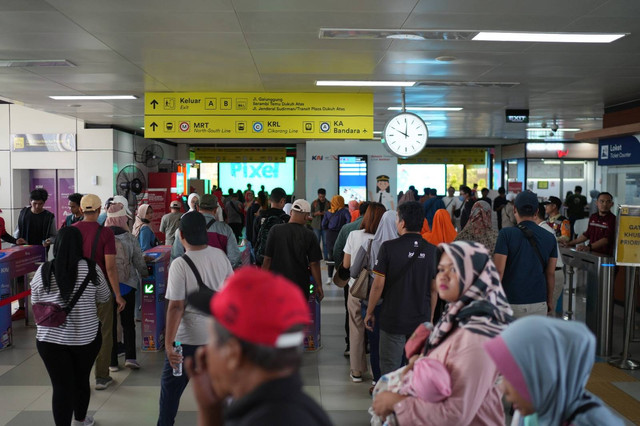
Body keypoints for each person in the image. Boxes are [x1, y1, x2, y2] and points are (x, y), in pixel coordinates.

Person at [371, 241, 513, 425]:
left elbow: (455, 414)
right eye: (440, 269)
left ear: (475, 276)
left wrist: (396, 403)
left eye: (454, 270)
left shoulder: (478, 336)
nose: (443, 276)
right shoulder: (456, 317)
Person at [183, 267, 334, 426]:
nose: (204, 352)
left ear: (233, 353)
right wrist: (210, 410)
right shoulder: (306, 411)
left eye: (211, 340)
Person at [158, 211, 233, 426]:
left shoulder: (180, 264)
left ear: (181, 235)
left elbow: (176, 306)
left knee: (170, 391)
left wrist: (169, 344)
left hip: (186, 340)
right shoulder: (220, 256)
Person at [31, 226, 110, 426]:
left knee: (60, 386)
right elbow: (104, 296)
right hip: (85, 338)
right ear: (80, 245)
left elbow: (36, 301)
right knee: (81, 379)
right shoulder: (92, 268)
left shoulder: (44, 269)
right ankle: (80, 420)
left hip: (49, 340)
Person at [484, 316, 623, 426]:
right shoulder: (534, 412)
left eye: (512, 377)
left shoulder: (591, 422)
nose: (502, 388)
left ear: (544, 375)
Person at [365, 201, 438, 376]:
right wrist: (431, 317)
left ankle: (391, 402)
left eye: (397, 218)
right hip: (421, 319)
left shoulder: (388, 248)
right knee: (416, 371)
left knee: (391, 370)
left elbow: (378, 285)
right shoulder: (432, 250)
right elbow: (434, 289)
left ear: (403, 223)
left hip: (393, 319)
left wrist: (370, 311)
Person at [73, 194, 125, 390]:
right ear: (98, 210)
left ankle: (80, 377)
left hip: (77, 291)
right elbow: (110, 267)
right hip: (100, 289)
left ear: (81, 209)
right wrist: (118, 294)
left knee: (79, 333)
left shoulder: (72, 231)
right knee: (104, 333)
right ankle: (102, 377)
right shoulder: (105, 234)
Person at [494, 191, 557, 318]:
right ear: (536, 211)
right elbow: (550, 273)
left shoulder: (506, 234)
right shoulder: (550, 237)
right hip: (539, 302)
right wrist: (549, 300)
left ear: (515, 209)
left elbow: (498, 271)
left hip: (511, 302)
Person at [341, 202, 386, 382]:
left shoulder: (353, 235)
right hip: (380, 291)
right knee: (377, 331)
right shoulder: (388, 237)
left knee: (356, 327)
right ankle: (378, 372)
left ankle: (357, 371)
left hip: (356, 288)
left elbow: (346, 265)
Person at [105, 203, 148, 371]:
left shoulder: (103, 235)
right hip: (128, 285)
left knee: (110, 325)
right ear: (123, 218)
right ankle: (130, 358)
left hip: (108, 286)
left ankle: (112, 362)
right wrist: (144, 274)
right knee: (128, 323)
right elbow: (138, 260)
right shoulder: (130, 237)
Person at [262, 199, 324, 302]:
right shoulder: (309, 234)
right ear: (306, 216)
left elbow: (267, 259)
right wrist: (319, 285)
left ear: (291, 212)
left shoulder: (275, 230)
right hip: (299, 286)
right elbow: (314, 263)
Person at [12, 188, 58, 321]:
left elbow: (54, 236)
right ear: (30, 202)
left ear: (44, 203)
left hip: (39, 255)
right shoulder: (23, 213)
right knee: (20, 280)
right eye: (34, 203)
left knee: (39, 281)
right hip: (22, 254)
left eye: (40, 204)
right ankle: (21, 308)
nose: (37, 206)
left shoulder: (49, 217)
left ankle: (40, 308)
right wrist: (16, 241)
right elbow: (17, 232)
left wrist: (49, 241)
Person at [171, 194, 241, 268]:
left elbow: (176, 257)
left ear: (197, 207)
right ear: (216, 209)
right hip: (219, 277)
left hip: (191, 276)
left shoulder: (184, 228)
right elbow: (234, 258)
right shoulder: (226, 229)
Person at [534, 204, 564, 315]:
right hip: (551, 273)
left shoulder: (543, 231)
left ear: (535, 214)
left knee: (548, 311)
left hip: (553, 273)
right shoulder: (543, 229)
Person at [252, 187, 289, 265]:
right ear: (283, 201)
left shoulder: (260, 217)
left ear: (269, 200)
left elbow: (254, 239)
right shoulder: (287, 220)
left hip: (261, 260)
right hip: (280, 262)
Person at [322, 195, 351, 282]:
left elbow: (323, 225)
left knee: (331, 256)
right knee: (342, 256)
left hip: (330, 235)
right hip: (341, 234)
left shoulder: (328, 212)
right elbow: (348, 221)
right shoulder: (345, 211)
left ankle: (329, 277)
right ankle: (341, 277)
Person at [310, 188, 330, 260]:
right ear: (318, 195)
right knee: (316, 242)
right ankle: (316, 257)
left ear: (325, 195)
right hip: (316, 226)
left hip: (325, 226)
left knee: (325, 243)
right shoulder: (314, 203)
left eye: (323, 197)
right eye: (320, 196)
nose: (321, 198)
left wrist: (326, 213)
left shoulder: (328, 203)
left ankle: (326, 257)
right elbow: (311, 214)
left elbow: (331, 214)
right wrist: (316, 213)